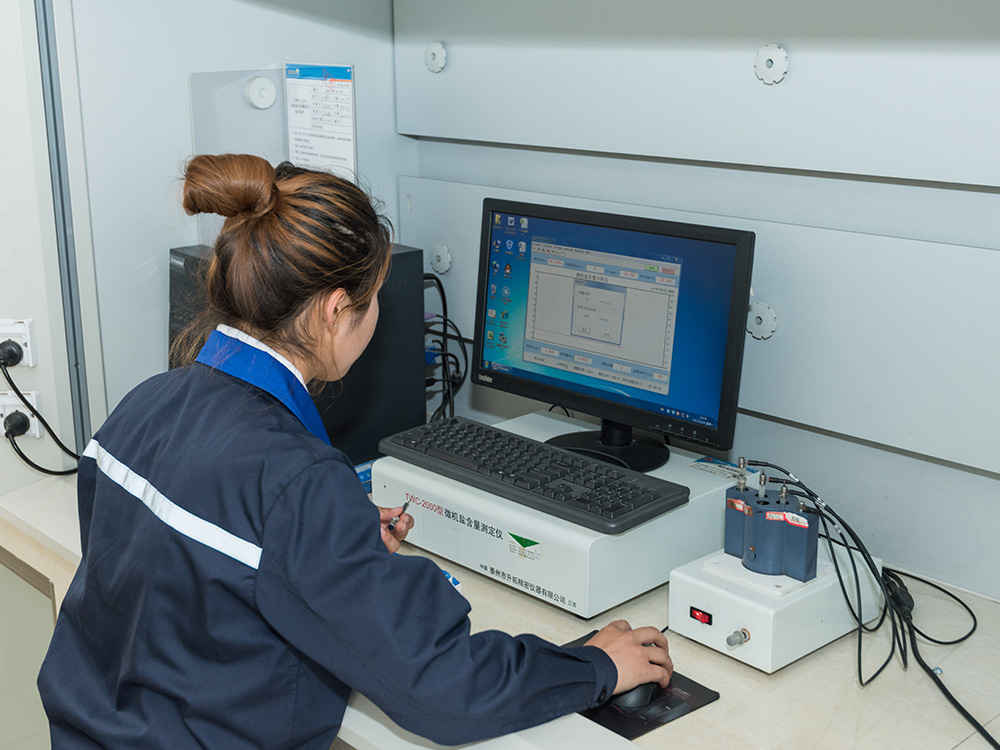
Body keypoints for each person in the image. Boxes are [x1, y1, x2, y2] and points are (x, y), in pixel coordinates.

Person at [37, 154, 672, 748]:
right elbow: (440, 688)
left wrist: (326, 549)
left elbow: (158, 577)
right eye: (375, 301)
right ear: (337, 310)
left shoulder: (146, 402)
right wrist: (594, 665)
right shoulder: (298, 480)